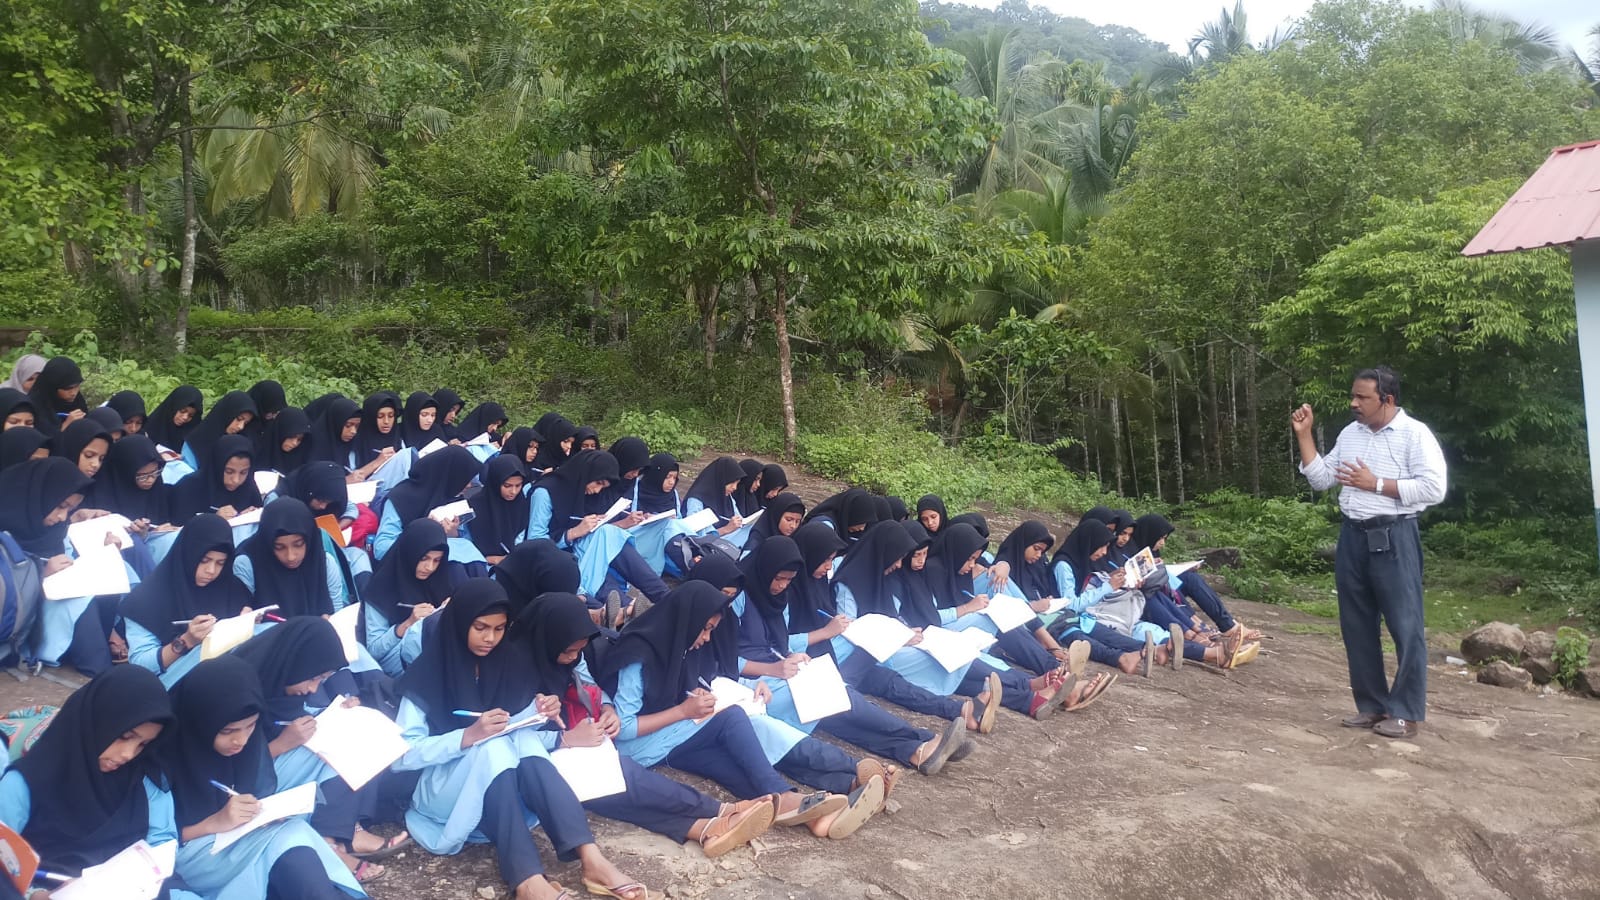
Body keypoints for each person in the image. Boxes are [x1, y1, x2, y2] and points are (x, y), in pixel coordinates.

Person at [392, 579, 655, 900]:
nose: (490, 638)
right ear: (459, 622)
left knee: (523, 742)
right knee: (492, 746)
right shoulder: (428, 673)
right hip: (443, 792)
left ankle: (591, 858)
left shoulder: (505, 663)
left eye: (499, 629)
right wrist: (468, 735)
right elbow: (402, 756)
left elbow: (514, 733)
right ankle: (527, 880)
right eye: (480, 627)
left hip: (497, 794)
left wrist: (538, 711)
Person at [596, 582, 886, 840]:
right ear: (685, 620)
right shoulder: (640, 654)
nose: (707, 638)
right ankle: (786, 796)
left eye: (711, 630)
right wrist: (683, 711)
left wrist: (692, 697)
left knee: (725, 762)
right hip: (635, 748)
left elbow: (671, 689)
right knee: (731, 717)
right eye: (705, 628)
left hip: (668, 740)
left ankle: (818, 812)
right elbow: (624, 729)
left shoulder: (679, 645)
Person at [514, 591, 776, 858]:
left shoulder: (570, 656)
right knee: (618, 775)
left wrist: (607, 708)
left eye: (578, 651)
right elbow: (508, 734)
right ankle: (720, 810)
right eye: (568, 651)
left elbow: (589, 682)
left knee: (612, 788)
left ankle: (703, 829)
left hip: (568, 750)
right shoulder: (511, 673)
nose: (574, 657)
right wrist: (563, 739)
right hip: (531, 762)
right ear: (546, 640)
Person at [1293, 366, 1447, 740]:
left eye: (1362, 397)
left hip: (1395, 536)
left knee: (1406, 627)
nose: (1353, 403)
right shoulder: (1351, 434)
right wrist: (1305, 435)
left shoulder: (1415, 434)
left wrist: (1375, 484)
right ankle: (1372, 705)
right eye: (1353, 395)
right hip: (1353, 537)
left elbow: (1434, 489)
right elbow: (1322, 479)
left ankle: (1405, 713)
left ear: (1387, 399)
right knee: (1357, 625)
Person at [166, 655, 365, 899]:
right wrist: (214, 822)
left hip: (237, 836)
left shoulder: (244, 746)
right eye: (227, 731)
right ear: (200, 721)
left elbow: (255, 791)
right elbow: (153, 839)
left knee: (291, 838)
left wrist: (260, 814)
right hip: (187, 856)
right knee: (288, 840)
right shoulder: (164, 758)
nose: (240, 740)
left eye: (250, 726)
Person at [0, 667, 181, 894]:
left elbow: (162, 843)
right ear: (94, 722)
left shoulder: (144, 778)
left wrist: (143, 878)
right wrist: (33, 894)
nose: (129, 754)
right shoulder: (23, 785)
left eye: (143, 744)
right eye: (125, 736)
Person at [121, 514, 258, 686]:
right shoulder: (147, 598)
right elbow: (140, 665)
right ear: (187, 554)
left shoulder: (233, 589)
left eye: (220, 563)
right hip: (179, 684)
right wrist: (186, 641)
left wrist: (249, 624)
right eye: (204, 560)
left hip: (235, 680)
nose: (211, 570)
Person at [362, 520, 463, 676]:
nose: (429, 567)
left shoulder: (438, 580)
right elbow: (374, 651)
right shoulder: (381, 589)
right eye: (424, 558)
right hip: (398, 661)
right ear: (410, 553)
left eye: (437, 560)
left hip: (434, 652)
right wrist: (407, 624)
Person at [171, 434, 264, 522]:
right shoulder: (190, 486)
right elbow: (179, 526)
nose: (236, 480)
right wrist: (213, 519)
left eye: (243, 472)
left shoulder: (249, 487)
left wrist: (249, 516)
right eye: (229, 472)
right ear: (217, 466)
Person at [469, 454, 531, 565]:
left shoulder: (521, 503)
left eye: (518, 485)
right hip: (479, 566)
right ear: (495, 482)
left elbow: (520, 537)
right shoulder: (475, 505)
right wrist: (492, 559)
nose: (513, 491)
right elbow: (467, 545)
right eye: (507, 486)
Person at [25, 356, 89, 438]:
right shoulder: (34, 406)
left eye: (77, 386)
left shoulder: (77, 401)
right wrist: (66, 425)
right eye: (67, 388)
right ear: (52, 387)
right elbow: (39, 440)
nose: (73, 393)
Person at [145, 385, 205, 451]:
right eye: (182, 411)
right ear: (173, 407)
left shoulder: (195, 434)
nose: (185, 417)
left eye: (191, 415)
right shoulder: (150, 428)